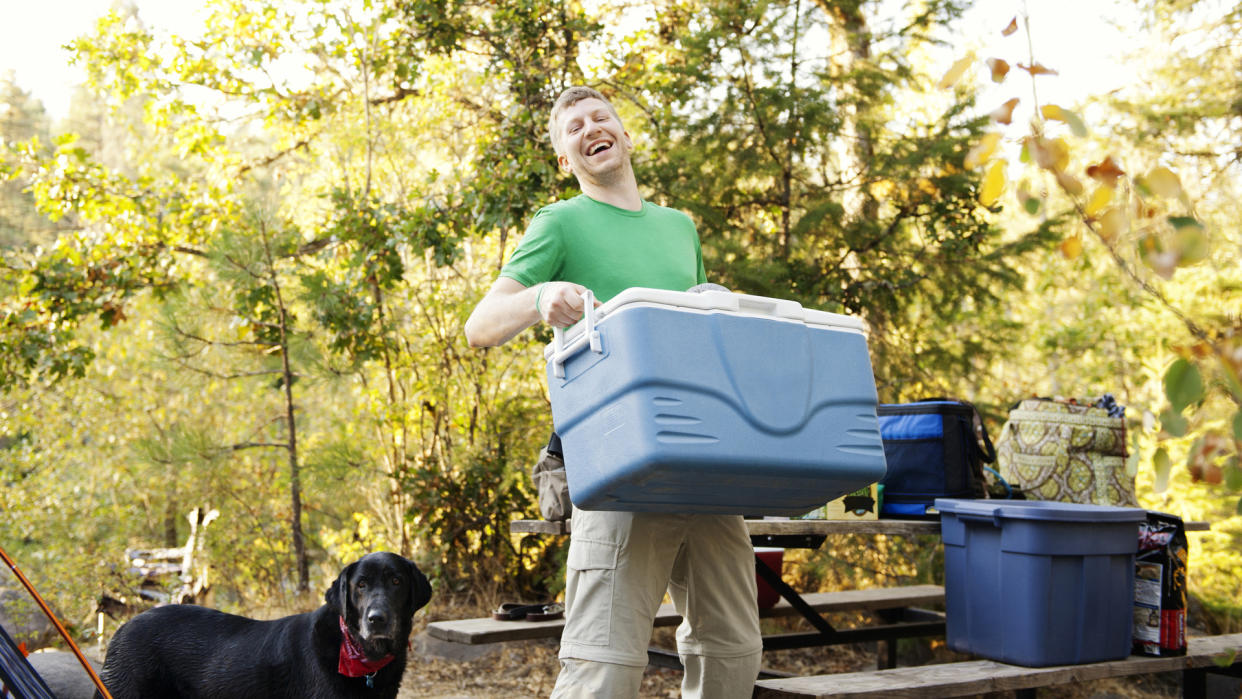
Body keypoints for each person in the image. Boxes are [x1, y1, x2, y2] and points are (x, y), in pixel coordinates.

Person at [464, 86, 762, 698]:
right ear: (565, 160)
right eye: (573, 127)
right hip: (618, 464)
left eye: (601, 118)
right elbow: (481, 325)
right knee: (605, 664)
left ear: (626, 137)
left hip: (706, 461)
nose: (590, 128)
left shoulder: (679, 228)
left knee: (733, 651)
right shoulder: (561, 222)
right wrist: (542, 297)